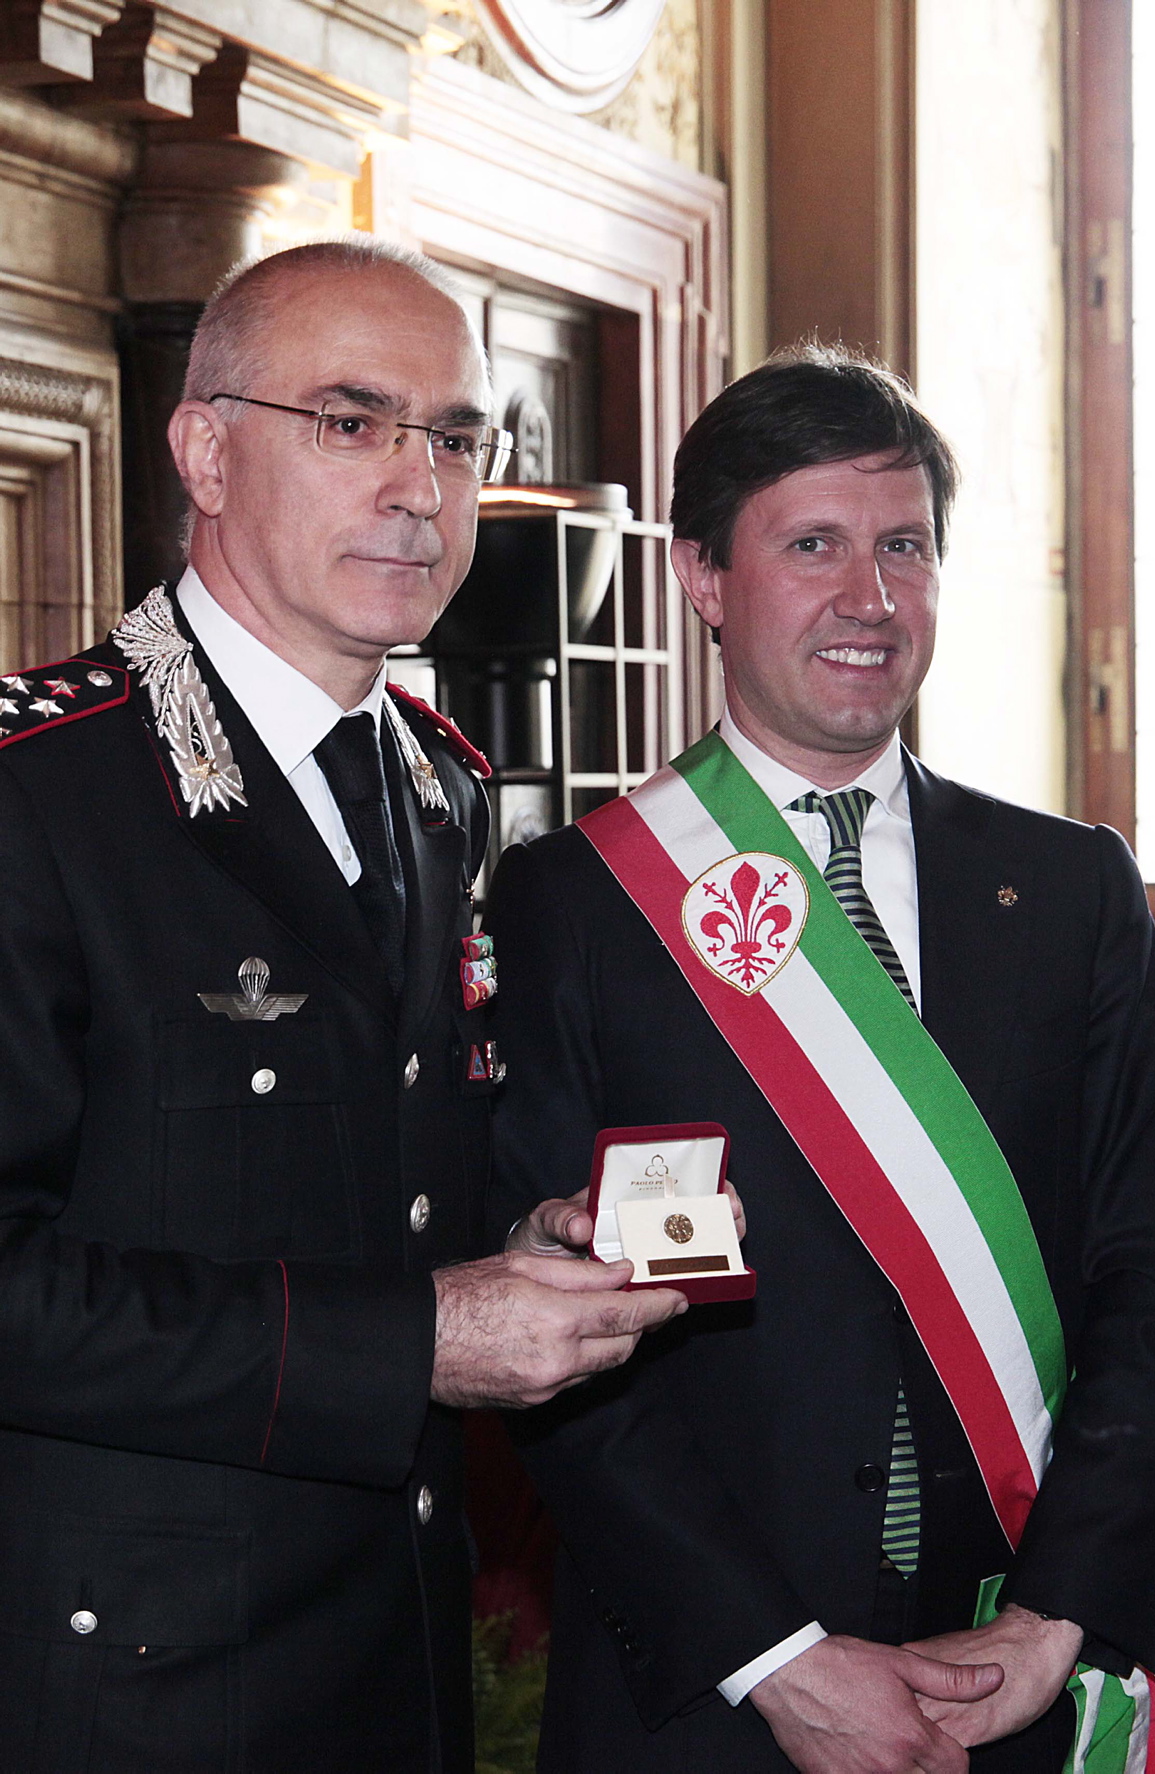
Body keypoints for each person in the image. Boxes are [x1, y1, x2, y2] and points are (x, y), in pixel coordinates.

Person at [0, 237, 687, 1773]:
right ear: (205, 450)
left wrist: (511, 1256)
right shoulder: (44, 793)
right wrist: (418, 1343)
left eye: (454, 435)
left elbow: (367, 1186)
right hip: (138, 1692)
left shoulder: (438, 783)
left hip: (395, 1664)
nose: (420, 483)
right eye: (351, 419)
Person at [485, 345, 1155, 1772]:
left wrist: (1056, 1616)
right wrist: (777, 1661)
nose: (869, 598)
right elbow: (555, 1341)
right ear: (700, 577)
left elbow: (1149, 1268)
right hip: (710, 1685)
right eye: (812, 544)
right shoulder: (581, 901)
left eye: (904, 546)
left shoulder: (1067, 888)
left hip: (1013, 1672)